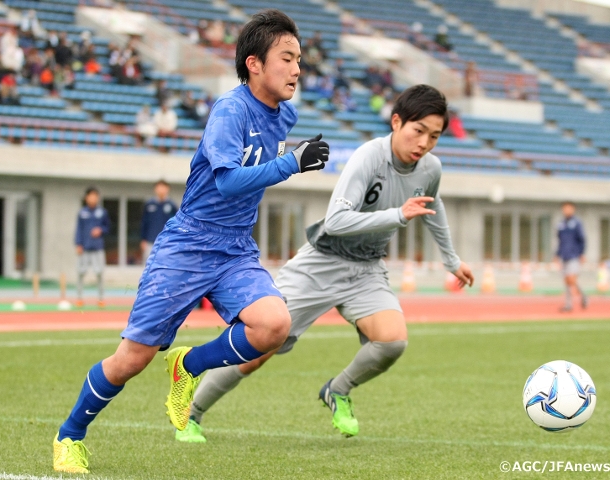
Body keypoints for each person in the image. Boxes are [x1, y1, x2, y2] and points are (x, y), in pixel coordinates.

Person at [53, 9, 329, 474]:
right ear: (254, 64)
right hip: (188, 244)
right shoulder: (229, 109)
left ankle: (189, 365)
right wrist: (290, 163)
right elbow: (225, 181)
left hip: (236, 247)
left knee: (273, 327)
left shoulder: (287, 115)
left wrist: (289, 155)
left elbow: (261, 155)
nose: (298, 68)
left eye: (300, 58)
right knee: (131, 360)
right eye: (287, 57)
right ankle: (70, 435)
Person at [174, 84, 474, 444]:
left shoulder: (430, 168)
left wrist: (452, 260)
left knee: (392, 341)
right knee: (258, 350)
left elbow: (432, 206)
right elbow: (335, 221)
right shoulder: (368, 157)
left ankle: (338, 390)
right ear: (396, 122)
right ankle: (191, 414)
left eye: (434, 136)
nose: (424, 143)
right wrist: (397, 215)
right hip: (321, 263)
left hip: (367, 269)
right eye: (418, 131)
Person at [74, 187, 110, 310]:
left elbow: (108, 227)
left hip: (97, 248)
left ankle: (101, 299)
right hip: (84, 248)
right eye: (91, 196)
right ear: (86, 197)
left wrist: (101, 230)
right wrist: (78, 244)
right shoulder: (82, 212)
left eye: (95, 196)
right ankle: (79, 298)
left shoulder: (102, 212)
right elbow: (78, 229)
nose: (93, 198)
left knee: (99, 272)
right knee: (80, 272)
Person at [556, 201, 587, 312]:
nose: (566, 210)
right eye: (564, 208)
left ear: (573, 209)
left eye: (568, 208)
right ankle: (571, 303)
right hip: (564, 255)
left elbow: (582, 239)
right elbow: (560, 241)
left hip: (574, 255)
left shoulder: (576, 223)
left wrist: (582, 253)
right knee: (567, 281)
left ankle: (577, 299)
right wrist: (557, 254)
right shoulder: (561, 224)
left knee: (571, 279)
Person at [140, 180, 178, 263]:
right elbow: (144, 223)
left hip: (166, 241)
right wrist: (143, 239)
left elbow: (176, 224)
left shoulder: (172, 205)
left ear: (167, 189)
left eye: (163, 187)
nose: (161, 189)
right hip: (150, 241)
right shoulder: (149, 204)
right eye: (159, 187)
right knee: (149, 264)